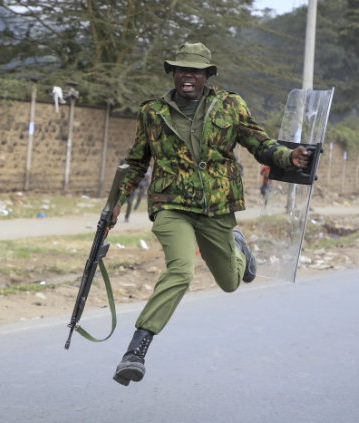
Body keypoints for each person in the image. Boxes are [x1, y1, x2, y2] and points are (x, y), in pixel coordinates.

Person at [110, 43, 311, 386]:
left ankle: (237, 245)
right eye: (181, 69)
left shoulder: (230, 106)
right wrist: (115, 202)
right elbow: (137, 160)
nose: (187, 75)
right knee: (182, 270)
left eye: (195, 71)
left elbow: (259, 144)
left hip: (217, 207)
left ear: (206, 75)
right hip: (171, 206)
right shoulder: (152, 113)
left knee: (231, 283)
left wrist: (287, 157)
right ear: (173, 74)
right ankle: (135, 351)